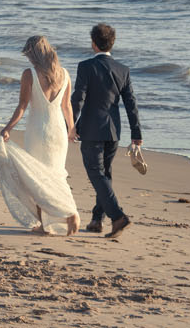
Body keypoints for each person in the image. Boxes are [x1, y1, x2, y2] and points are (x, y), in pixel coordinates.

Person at [0, 35, 80, 236]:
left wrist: (8, 128)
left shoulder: (29, 74)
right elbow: (67, 107)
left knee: (36, 177)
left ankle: (46, 223)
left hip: (37, 130)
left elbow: (22, 106)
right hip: (58, 130)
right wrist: (71, 128)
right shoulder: (64, 74)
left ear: (33, 54)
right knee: (57, 174)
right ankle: (71, 213)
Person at [69, 22, 142, 239]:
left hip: (91, 130)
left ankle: (118, 217)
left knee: (96, 174)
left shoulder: (85, 67)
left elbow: (78, 98)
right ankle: (96, 220)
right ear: (112, 43)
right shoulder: (122, 70)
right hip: (113, 131)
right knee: (105, 175)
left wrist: (69, 125)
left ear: (93, 44)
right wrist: (136, 134)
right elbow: (131, 104)